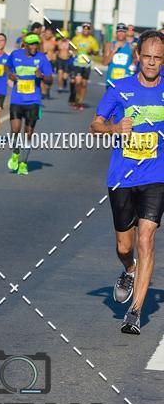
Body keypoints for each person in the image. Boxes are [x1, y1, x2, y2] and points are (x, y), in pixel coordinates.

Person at [90, 30, 164, 335]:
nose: (152, 63)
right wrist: (114, 128)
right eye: (147, 57)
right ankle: (129, 269)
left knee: (146, 238)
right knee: (125, 246)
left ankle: (135, 312)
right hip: (122, 177)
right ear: (138, 57)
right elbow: (95, 125)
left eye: (158, 58)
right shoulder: (120, 88)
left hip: (156, 176)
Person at [5, 33, 53, 176]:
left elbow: (50, 80)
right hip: (17, 100)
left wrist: (42, 76)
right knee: (15, 130)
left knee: (28, 134)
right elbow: (7, 67)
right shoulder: (15, 55)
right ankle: (15, 152)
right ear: (25, 44)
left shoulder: (41, 58)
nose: (34, 46)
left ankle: (23, 163)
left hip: (33, 101)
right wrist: (10, 75)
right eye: (31, 44)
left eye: (36, 44)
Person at [69, 22, 99, 110]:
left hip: (86, 65)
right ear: (82, 29)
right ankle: (76, 99)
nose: (86, 30)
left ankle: (80, 102)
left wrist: (92, 51)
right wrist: (72, 52)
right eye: (84, 28)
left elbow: (96, 52)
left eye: (88, 29)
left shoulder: (92, 40)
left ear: (90, 30)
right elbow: (71, 47)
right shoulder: (76, 38)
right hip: (77, 63)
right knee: (78, 82)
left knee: (84, 84)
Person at [41, 26, 57, 99]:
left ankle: (48, 90)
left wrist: (55, 56)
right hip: (42, 61)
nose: (47, 35)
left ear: (51, 35)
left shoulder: (54, 42)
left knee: (50, 79)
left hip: (50, 61)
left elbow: (57, 50)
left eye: (49, 34)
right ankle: (43, 92)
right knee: (42, 77)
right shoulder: (41, 41)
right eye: (46, 33)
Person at [55, 28, 72, 93]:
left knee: (65, 76)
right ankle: (60, 87)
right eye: (62, 37)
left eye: (64, 37)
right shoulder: (58, 42)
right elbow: (55, 49)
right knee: (60, 73)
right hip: (60, 60)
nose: (63, 38)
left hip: (67, 60)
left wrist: (71, 54)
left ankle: (64, 81)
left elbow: (73, 50)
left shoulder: (69, 43)